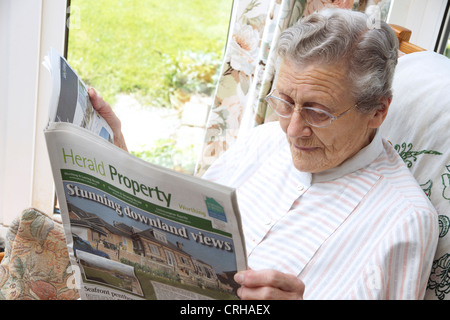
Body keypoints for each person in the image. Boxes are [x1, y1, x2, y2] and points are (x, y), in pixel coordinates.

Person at [89, 8, 438, 299]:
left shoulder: (404, 221)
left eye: (317, 112)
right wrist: (120, 169)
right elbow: (180, 226)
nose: (292, 129)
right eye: (284, 102)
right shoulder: (264, 141)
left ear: (377, 111)